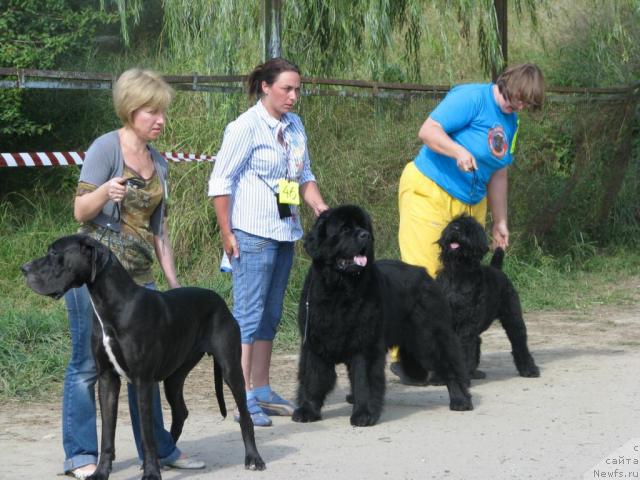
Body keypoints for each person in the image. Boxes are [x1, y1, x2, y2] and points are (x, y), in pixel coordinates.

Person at [62, 68, 204, 479]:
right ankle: (81, 455)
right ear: (130, 110)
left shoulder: (159, 161)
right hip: (95, 282)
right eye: (152, 111)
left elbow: (159, 230)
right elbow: (80, 212)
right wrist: (105, 191)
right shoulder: (106, 147)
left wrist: (174, 284)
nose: (160, 119)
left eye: (162, 112)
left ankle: (155, 451)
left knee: (149, 368)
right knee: (87, 367)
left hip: (141, 282)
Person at [391, 63, 545, 382]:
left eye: (524, 105)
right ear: (507, 84)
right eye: (516, 99)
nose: (516, 107)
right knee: (426, 276)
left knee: (465, 283)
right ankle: (410, 360)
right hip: (429, 190)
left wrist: (500, 221)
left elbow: (499, 172)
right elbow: (428, 130)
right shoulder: (471, 98)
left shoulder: (512, 123)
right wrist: (457, 150)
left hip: (471, 202)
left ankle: (456, 357)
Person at [208, 57, 329, 427]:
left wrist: (321, 208)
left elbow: (302, 173)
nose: (294, 96)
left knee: (271, 314)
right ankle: (242, 393)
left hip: (285, 231)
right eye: (286, 89)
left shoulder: (295, 126)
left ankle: (261, 387)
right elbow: (220, 183)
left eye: (297, 89)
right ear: (265, 87)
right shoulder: (245, 127)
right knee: (246, 315)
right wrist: (228, 233)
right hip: (251, 232)